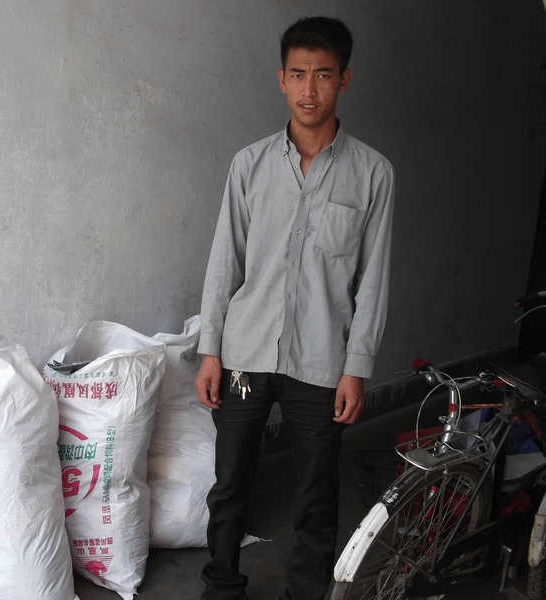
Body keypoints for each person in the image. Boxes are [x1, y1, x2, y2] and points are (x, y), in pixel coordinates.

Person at [195, 16, 394, 600]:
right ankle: (221, 586)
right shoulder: (249, 165)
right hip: (245, 353)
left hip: (321, 360)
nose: (310, 89)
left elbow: (374, 280)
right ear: (281, 79)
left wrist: (356, 367)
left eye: (324, 75)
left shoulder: (373, 174)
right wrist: (210, 350)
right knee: (229, 484)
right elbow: (224, 262)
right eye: (299, 74)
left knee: (315, 494)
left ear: (344, 80)